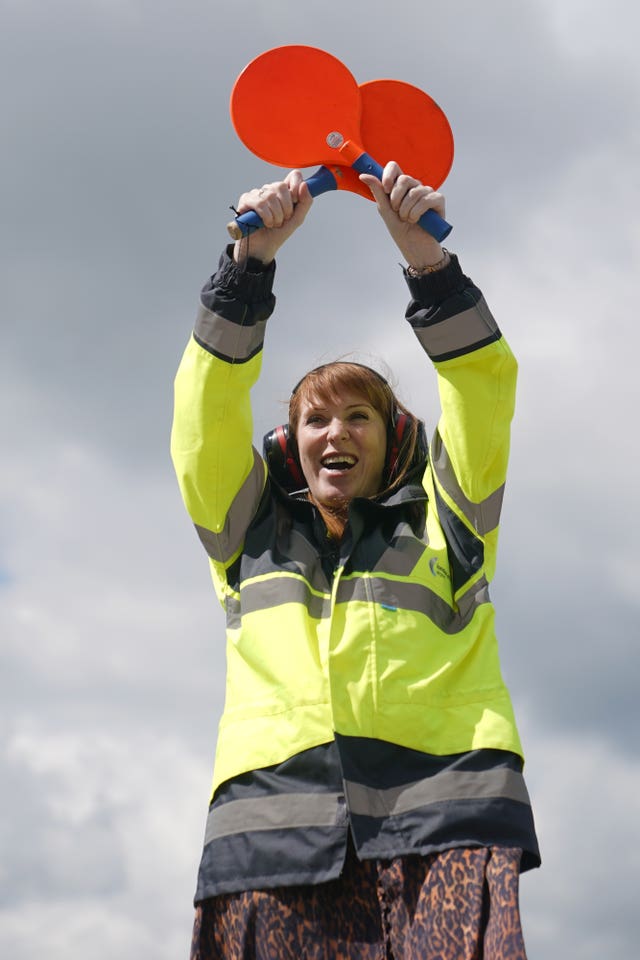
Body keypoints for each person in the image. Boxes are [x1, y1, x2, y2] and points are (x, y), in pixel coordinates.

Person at [171, 163, 540, 960]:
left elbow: (483, 389)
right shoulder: (245, 533)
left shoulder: (453, 522)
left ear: (392, 436)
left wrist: (429, 267)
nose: (335, 432)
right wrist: (248, 266)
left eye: (358, 415)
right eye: (315, 418)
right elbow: (204, 415)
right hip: (271, 840)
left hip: (444, 831)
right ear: (291, 443)